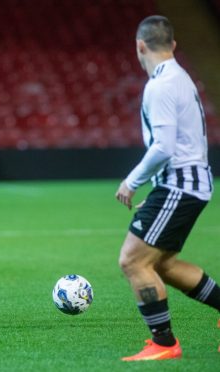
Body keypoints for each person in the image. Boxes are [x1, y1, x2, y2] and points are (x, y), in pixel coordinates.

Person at [115, 15, 219, 361]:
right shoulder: (180, 77)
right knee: (163, 263)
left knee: (132, 260)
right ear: (173, 45)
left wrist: (132, 182)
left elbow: (164, 146)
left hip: (182, 184)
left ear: (139, 46)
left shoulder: (160, 85)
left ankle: (164, 343)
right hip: (189, 183)